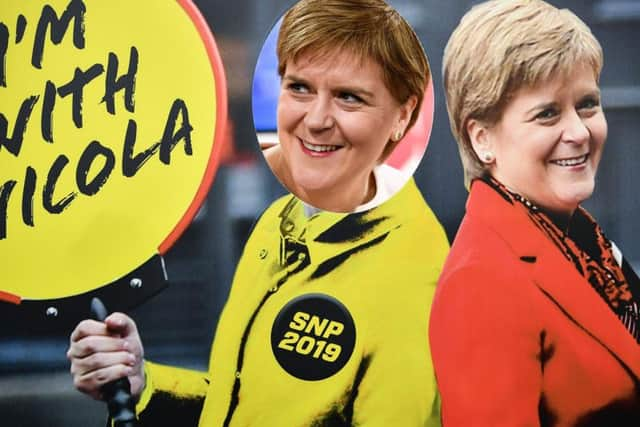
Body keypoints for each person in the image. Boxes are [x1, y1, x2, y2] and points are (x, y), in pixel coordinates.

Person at [68, 1, 449, 426]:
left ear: (403, 115)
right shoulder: (281, 222)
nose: (316, 119)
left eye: (348, 97)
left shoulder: (414, 275)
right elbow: (242, 405)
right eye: (300, 87)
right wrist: (142, 383)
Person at [429, 0, 640, 425]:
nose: (579, 132)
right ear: (482, 138)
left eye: (587, 104)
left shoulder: (581, 241)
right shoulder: (480, 282)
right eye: (547, 114)